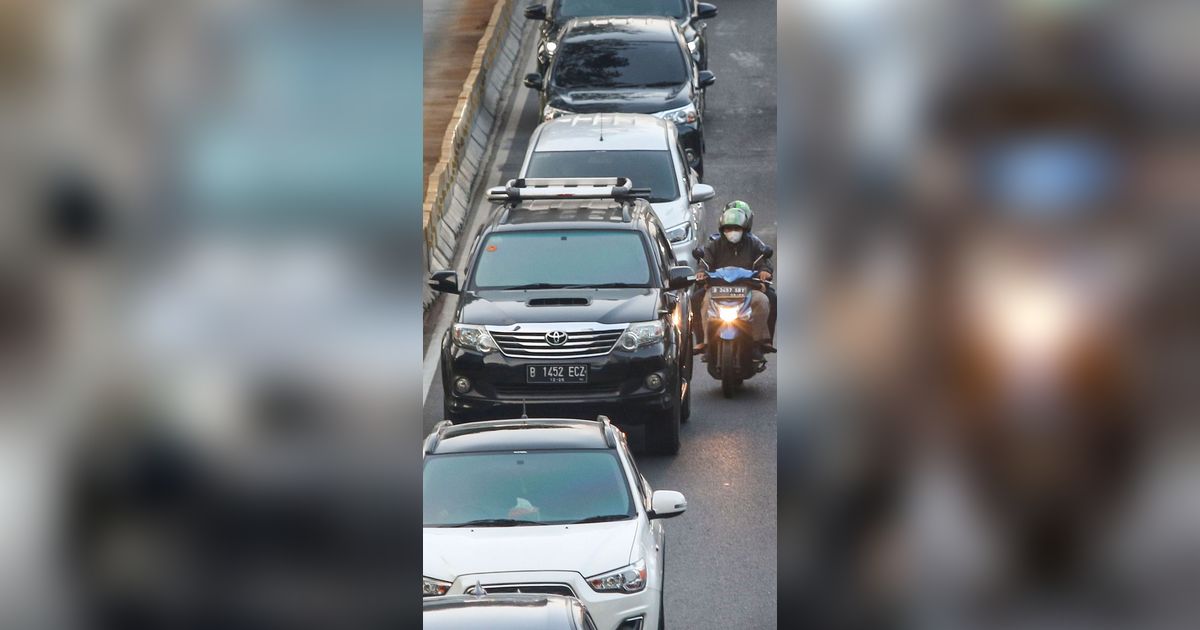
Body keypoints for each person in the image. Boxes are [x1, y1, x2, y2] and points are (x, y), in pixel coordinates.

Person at [694, 202, 775, 359]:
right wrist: (701, 273)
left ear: (744, 230)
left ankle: (759, 342)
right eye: (728, 229)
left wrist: (764, 271)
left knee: (765, 300)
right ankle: (704, 342)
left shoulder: (755, 244)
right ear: (722, 230)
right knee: (697, 300)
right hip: (717, 289)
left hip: (748, 289)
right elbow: (704, 262)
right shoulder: (714, 245)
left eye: (736, 229)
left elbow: (764, 262)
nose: (732, 232)